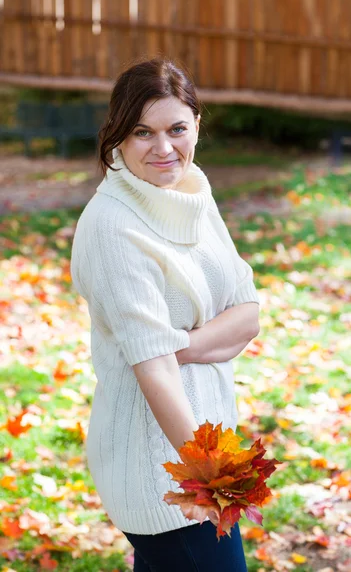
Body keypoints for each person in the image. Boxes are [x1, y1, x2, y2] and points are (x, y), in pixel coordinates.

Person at [70, 57, 260, 572]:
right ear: (118, 136)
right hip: (168, 476)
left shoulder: (190, 190)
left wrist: (180, 345)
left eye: (177, 128)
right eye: (142, 132)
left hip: (203, 451)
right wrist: (213, 478)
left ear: (197, 123)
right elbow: (154, 372)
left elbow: (247, 314)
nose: (164, 148)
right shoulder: (112, 226)